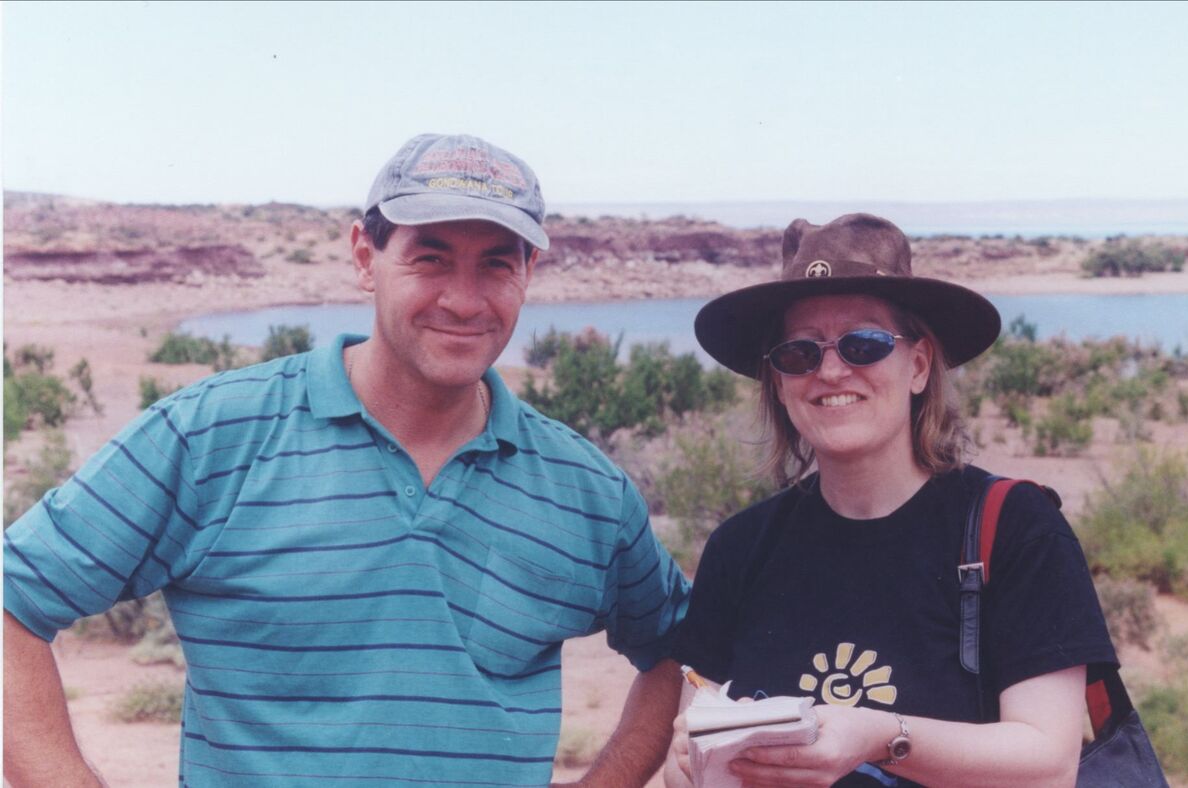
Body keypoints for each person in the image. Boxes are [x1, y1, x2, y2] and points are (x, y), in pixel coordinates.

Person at [4, 133, 690, 788]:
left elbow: (676, 645)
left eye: (497, 263)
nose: (464, 298)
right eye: (430, 257)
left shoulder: (585, 490)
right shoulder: (216, 435)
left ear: (529, 271)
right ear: (366, 257)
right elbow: (13, 602)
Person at [664, 214, 1117, 787]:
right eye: (799, 353)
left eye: (864, 343)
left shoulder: (1017, 529)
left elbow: (1047, 766)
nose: (830, 370)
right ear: (779, 382)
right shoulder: (741, 547)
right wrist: (695, 760)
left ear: (919, 366)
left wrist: (881, 737)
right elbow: (685, 760)